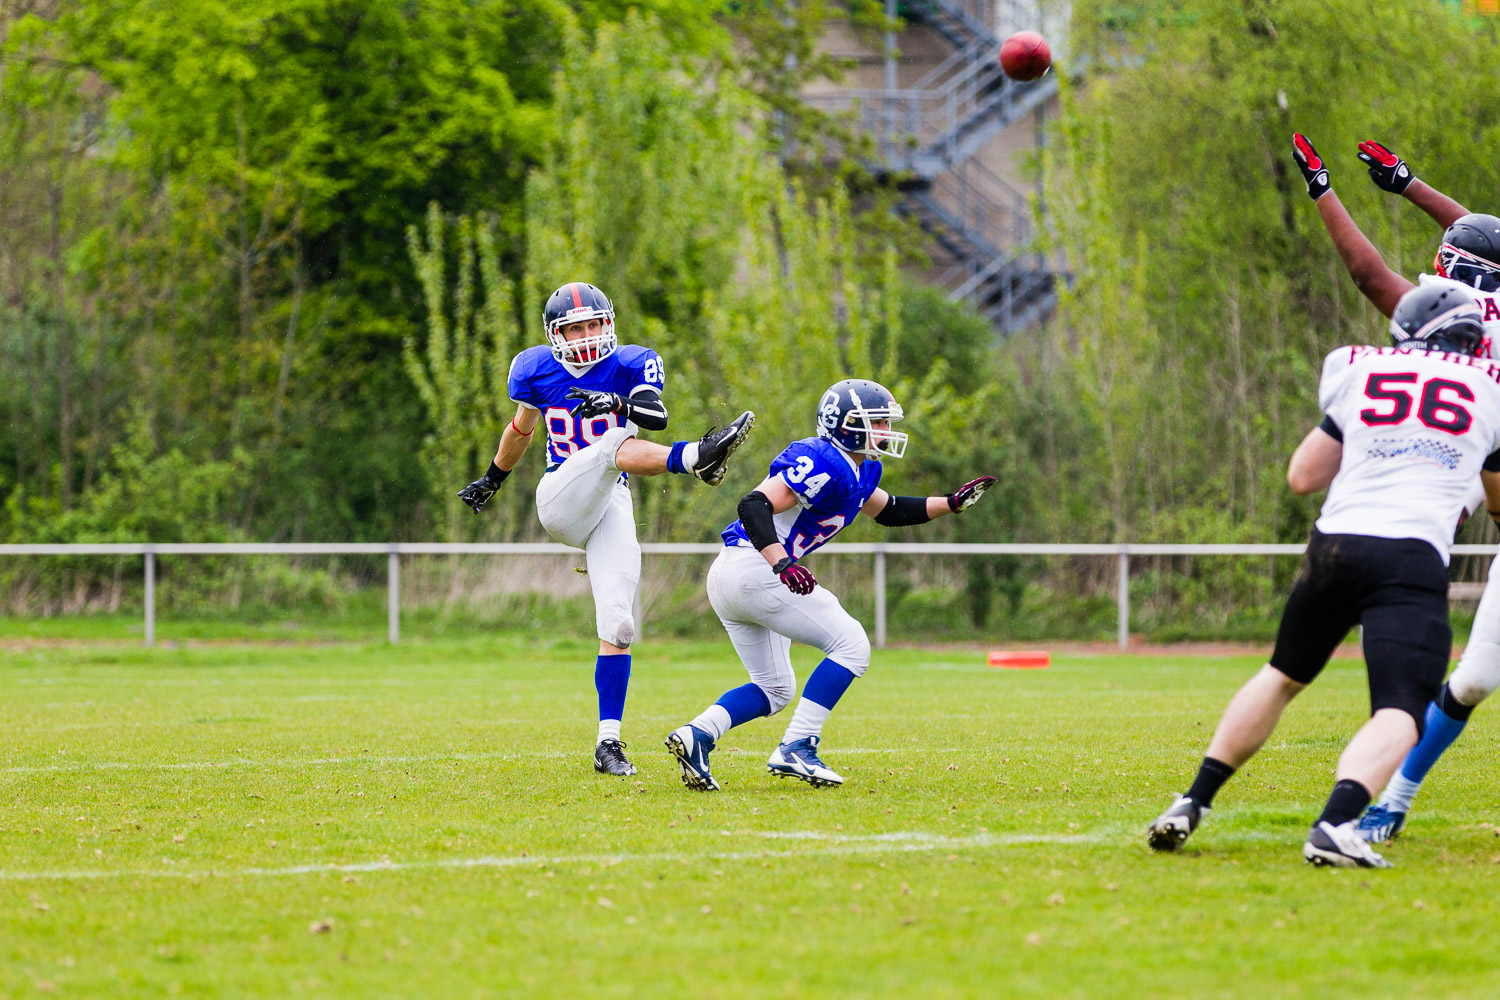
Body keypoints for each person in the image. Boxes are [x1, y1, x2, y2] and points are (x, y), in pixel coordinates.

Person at [1147, 282, 1500, 867]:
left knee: (1282, 674)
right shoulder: (1488, 391)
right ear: (1468, 338)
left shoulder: (1359, 369)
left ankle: (1192, 801)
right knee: (1401, 709)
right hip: (1408, 555)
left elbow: (1303, 475)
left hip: (1332, 544)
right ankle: (1336, 825)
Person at [457, 281, 755, 777]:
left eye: (594, 323)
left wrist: (614, 402)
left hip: (610, 497)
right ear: (556, 334)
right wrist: (493, 479)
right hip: (561, 496)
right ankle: (698, 458)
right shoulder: (533, 369)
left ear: (608, 323)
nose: (587, 334)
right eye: (575, 327)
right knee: (610, 444)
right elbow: (521, 429)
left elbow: (653, 416)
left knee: (619, 624)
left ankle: (607, 742)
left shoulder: (631, 361)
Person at [1292, 135, 1500, 842]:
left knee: (1461, 675)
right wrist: (1410, 184)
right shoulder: (1477, 301)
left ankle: (1384, 797)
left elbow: (1366, 270)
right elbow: (1478, 235)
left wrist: (1324, 189)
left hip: (1458, 483)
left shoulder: (1453, 317)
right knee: (1472, 679)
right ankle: (1393, 801)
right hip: (1480, 478)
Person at [664, 378, 995, 791]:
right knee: (853, 645)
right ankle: (796, 747)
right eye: (877, 422)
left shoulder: (859, 468)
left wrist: (950, 503)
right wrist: (780, 561)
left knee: (775, 688)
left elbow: (889, 510)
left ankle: (698, 735)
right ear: (847, 425)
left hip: (733, 574)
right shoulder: (824, 459)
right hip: (758, 568)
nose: (885, 432)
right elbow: (753, 504)